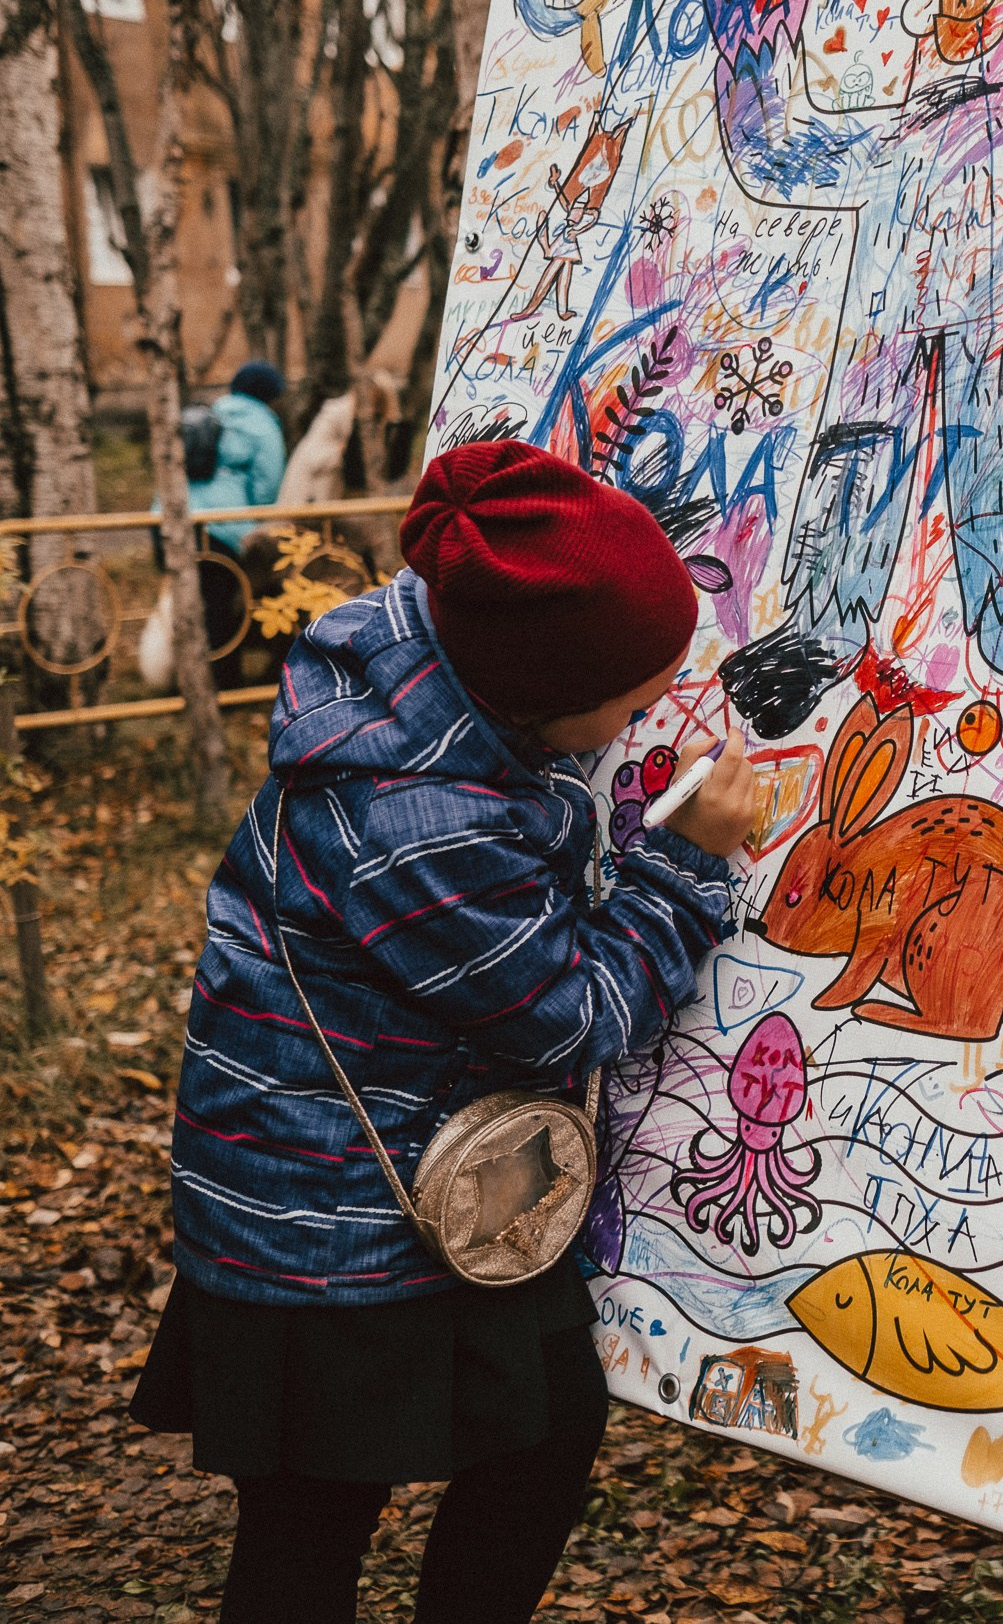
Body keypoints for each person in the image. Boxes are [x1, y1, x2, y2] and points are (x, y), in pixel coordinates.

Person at [130, 439, 761, 1624]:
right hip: (321, 1213)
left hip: (362, 1164)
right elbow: (567, 1018)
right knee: (316, 1518)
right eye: (632, 700)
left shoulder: (435, 638)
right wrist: (686, 865)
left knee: (538, 1434)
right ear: (539, 693)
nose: (651, 713)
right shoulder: (420, 818)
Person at [193, 359, 290, 555]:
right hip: (222, 528)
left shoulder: (211, 413)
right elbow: (267, 488)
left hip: (167, 521)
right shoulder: (264, 427)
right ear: (271, 396)